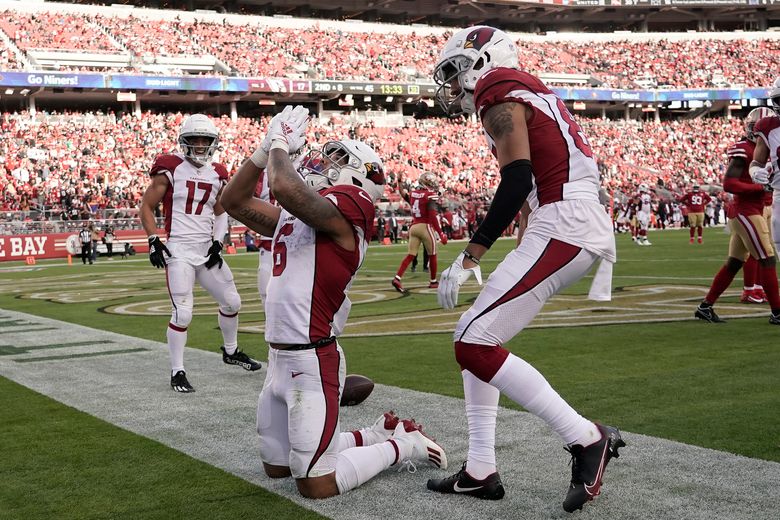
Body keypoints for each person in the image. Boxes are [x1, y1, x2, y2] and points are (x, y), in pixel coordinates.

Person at [428, 26, 624, 513]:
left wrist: (472, 252)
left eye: (455, 71)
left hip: (564, 222)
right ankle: (480, 468)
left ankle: (586, 437)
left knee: (472, 342)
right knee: (475, 334)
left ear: (483, 59)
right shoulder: (528, 88)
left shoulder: (497, 89)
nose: (453, 85)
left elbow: (517, 178)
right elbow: (533, 177)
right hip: (562, 220)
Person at [220, 105, 447, 499]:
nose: (322, 162)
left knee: (316, 483)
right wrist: (261, 152)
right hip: (278, 360)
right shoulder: (302, 217)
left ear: (358, 176)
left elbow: (286, 187)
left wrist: (278, 144)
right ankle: (374, 433)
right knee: (277, 468)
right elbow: (233, 201)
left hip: (313, 361)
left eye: (337, 159)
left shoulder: (353, 209)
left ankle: (402, 446)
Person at [138, 113, 262, 393]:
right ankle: (177, 371)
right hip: (179, 249)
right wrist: (153, 240)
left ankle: (230, 351)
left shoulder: (217, 172)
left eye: (206, 140)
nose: (200, 145)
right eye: (195, 139)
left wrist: (218, 242)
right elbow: (146, 206)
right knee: (183, 313)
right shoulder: (170, 167)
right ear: (184, 141)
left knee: (232, 302)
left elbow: (221, 211)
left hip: (205, 250)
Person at [695, 106, 780, 324]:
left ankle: (705, 307)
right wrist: (760, 189)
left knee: (734, 262)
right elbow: (729, 183)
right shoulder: (744, 148)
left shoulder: (767, 146)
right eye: (752, 127)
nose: (755, 131)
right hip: (745, 210)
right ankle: (777, 312)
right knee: (767, 259)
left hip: (755, 209)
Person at [392, 172, 448, 293]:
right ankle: (433, 281)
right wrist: (441, 233)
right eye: (430, 183)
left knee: (411, 254)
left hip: (414, 227)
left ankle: (397, 278)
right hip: (425, 227)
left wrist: (400, 182)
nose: (433, 184)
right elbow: (433, 216)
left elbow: (403, 194)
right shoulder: (430, 195)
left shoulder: (413, 193)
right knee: (432, 254)